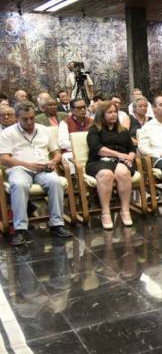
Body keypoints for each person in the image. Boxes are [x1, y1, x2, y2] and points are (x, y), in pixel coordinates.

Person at [0, 103, 73, 245]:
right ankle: (20, 229)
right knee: (19, 184)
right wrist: (28, 165)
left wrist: (53, 161)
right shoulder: (8, 133)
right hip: (19, 168)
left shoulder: (44, 130)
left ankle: (57, 225)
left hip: (43, 168)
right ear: (17, 118)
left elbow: (56, 152)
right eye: (25, 119)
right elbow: (4, 158)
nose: (29, 122)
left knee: (55, 182)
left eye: (32, 118)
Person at [86, 102, 137, 229]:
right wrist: (118, 154)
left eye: (115, 112)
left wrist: (130, 157)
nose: (114, 114)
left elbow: (131, 149)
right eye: (110, 112)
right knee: (106, 174)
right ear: (101, 115)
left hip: (122, 161)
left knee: (123, 172)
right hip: (99, 161)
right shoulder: (94, 129)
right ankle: (105, 212)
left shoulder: (123, 130)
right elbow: (97, 149)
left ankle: (125, 210)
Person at [58, 98, 93, 169]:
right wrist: (80, 147)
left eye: (84, 107)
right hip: (71, 151)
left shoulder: (92, 121)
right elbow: (62, 143)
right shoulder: (65, 123)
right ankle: (75, 176)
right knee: (69, 159)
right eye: (79, 108)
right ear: (72, 110)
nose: (83, 110)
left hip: (90, 150)